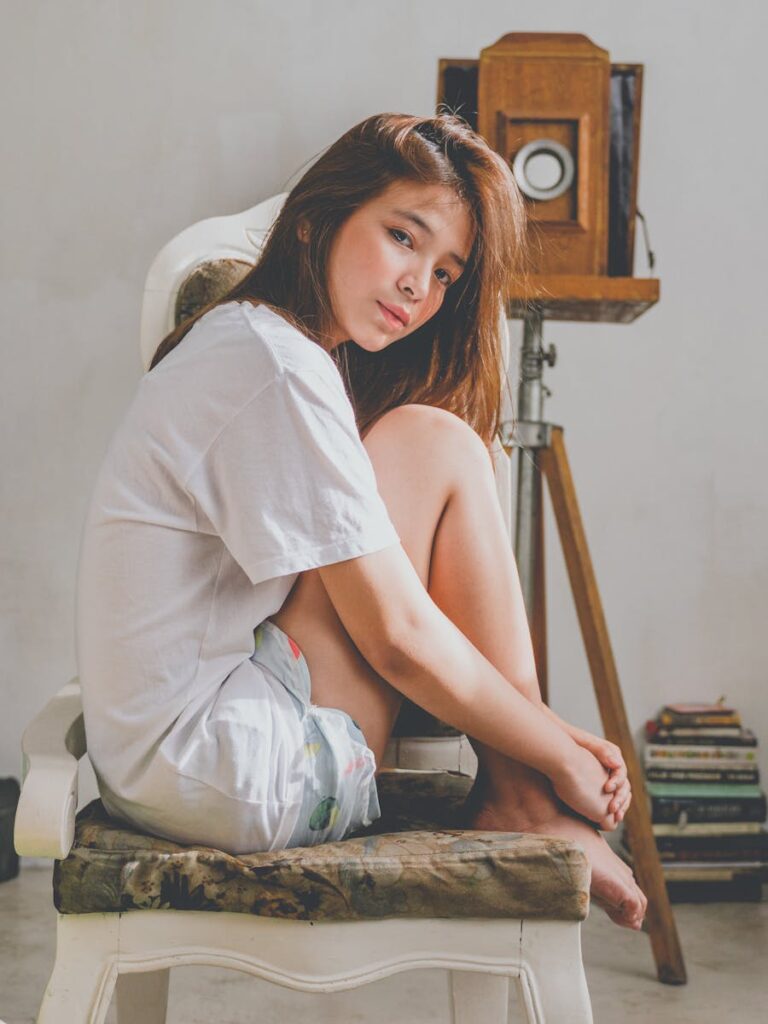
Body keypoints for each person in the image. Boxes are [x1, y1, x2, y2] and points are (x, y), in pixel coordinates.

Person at [76, 112, 647, 930]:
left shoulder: (249, 344)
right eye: (403, 237)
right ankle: (524, 796)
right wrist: (557, 745)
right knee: (436, 445)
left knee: (426, 443)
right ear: (316, 220)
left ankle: (521, 790)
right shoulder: (276, 365)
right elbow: (397, 638)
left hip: (168, 765)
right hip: (238, 772)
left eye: (447, 272)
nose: (421, 285)